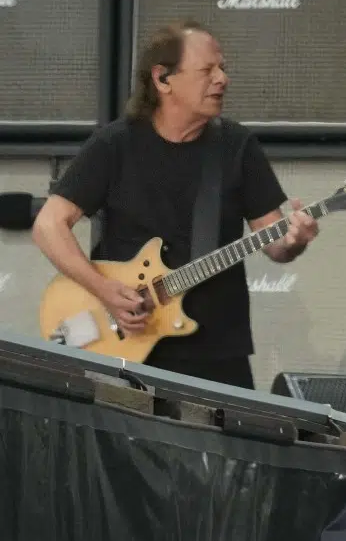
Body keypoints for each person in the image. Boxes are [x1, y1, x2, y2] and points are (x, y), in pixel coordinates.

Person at [32, 20, 318, 388]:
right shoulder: (115, 145)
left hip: (216, 350)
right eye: (207, 70)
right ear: (163, 79)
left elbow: (276, 243)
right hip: (126, 343)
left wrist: (295, 238)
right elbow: (48, 225)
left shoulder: (236, 146)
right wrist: (105, 291)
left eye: (223, 69)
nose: (222, 79)